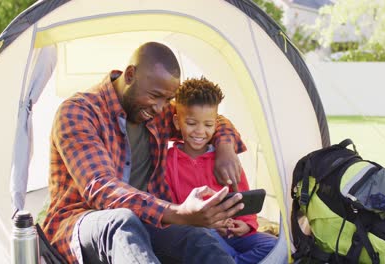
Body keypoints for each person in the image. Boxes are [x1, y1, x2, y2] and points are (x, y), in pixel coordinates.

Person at [41, 42, 247, 264]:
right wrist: (177, 212)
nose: (161, 108)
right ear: (130, 75)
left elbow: (210, 119)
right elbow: (101, 188)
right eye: (155, 96)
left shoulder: (156, 112)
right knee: (121, 221)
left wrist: (225, 148)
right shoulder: (79, 112)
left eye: (167, 100)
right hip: (83, 223)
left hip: (146, 222)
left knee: (199, 238)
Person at [165, 77, 277, 264]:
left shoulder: (226, 161)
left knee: (273, 245)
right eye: (191, 123)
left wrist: (246, 225)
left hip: (234, 234)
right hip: (200, 232)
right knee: (209, 243)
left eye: (208, 125)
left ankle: (231, 260)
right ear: (177, 122)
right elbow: (170, 210)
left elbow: (243, 198)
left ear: (216, 124)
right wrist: (205, 223)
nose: (200, 131)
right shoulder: (168, 161)